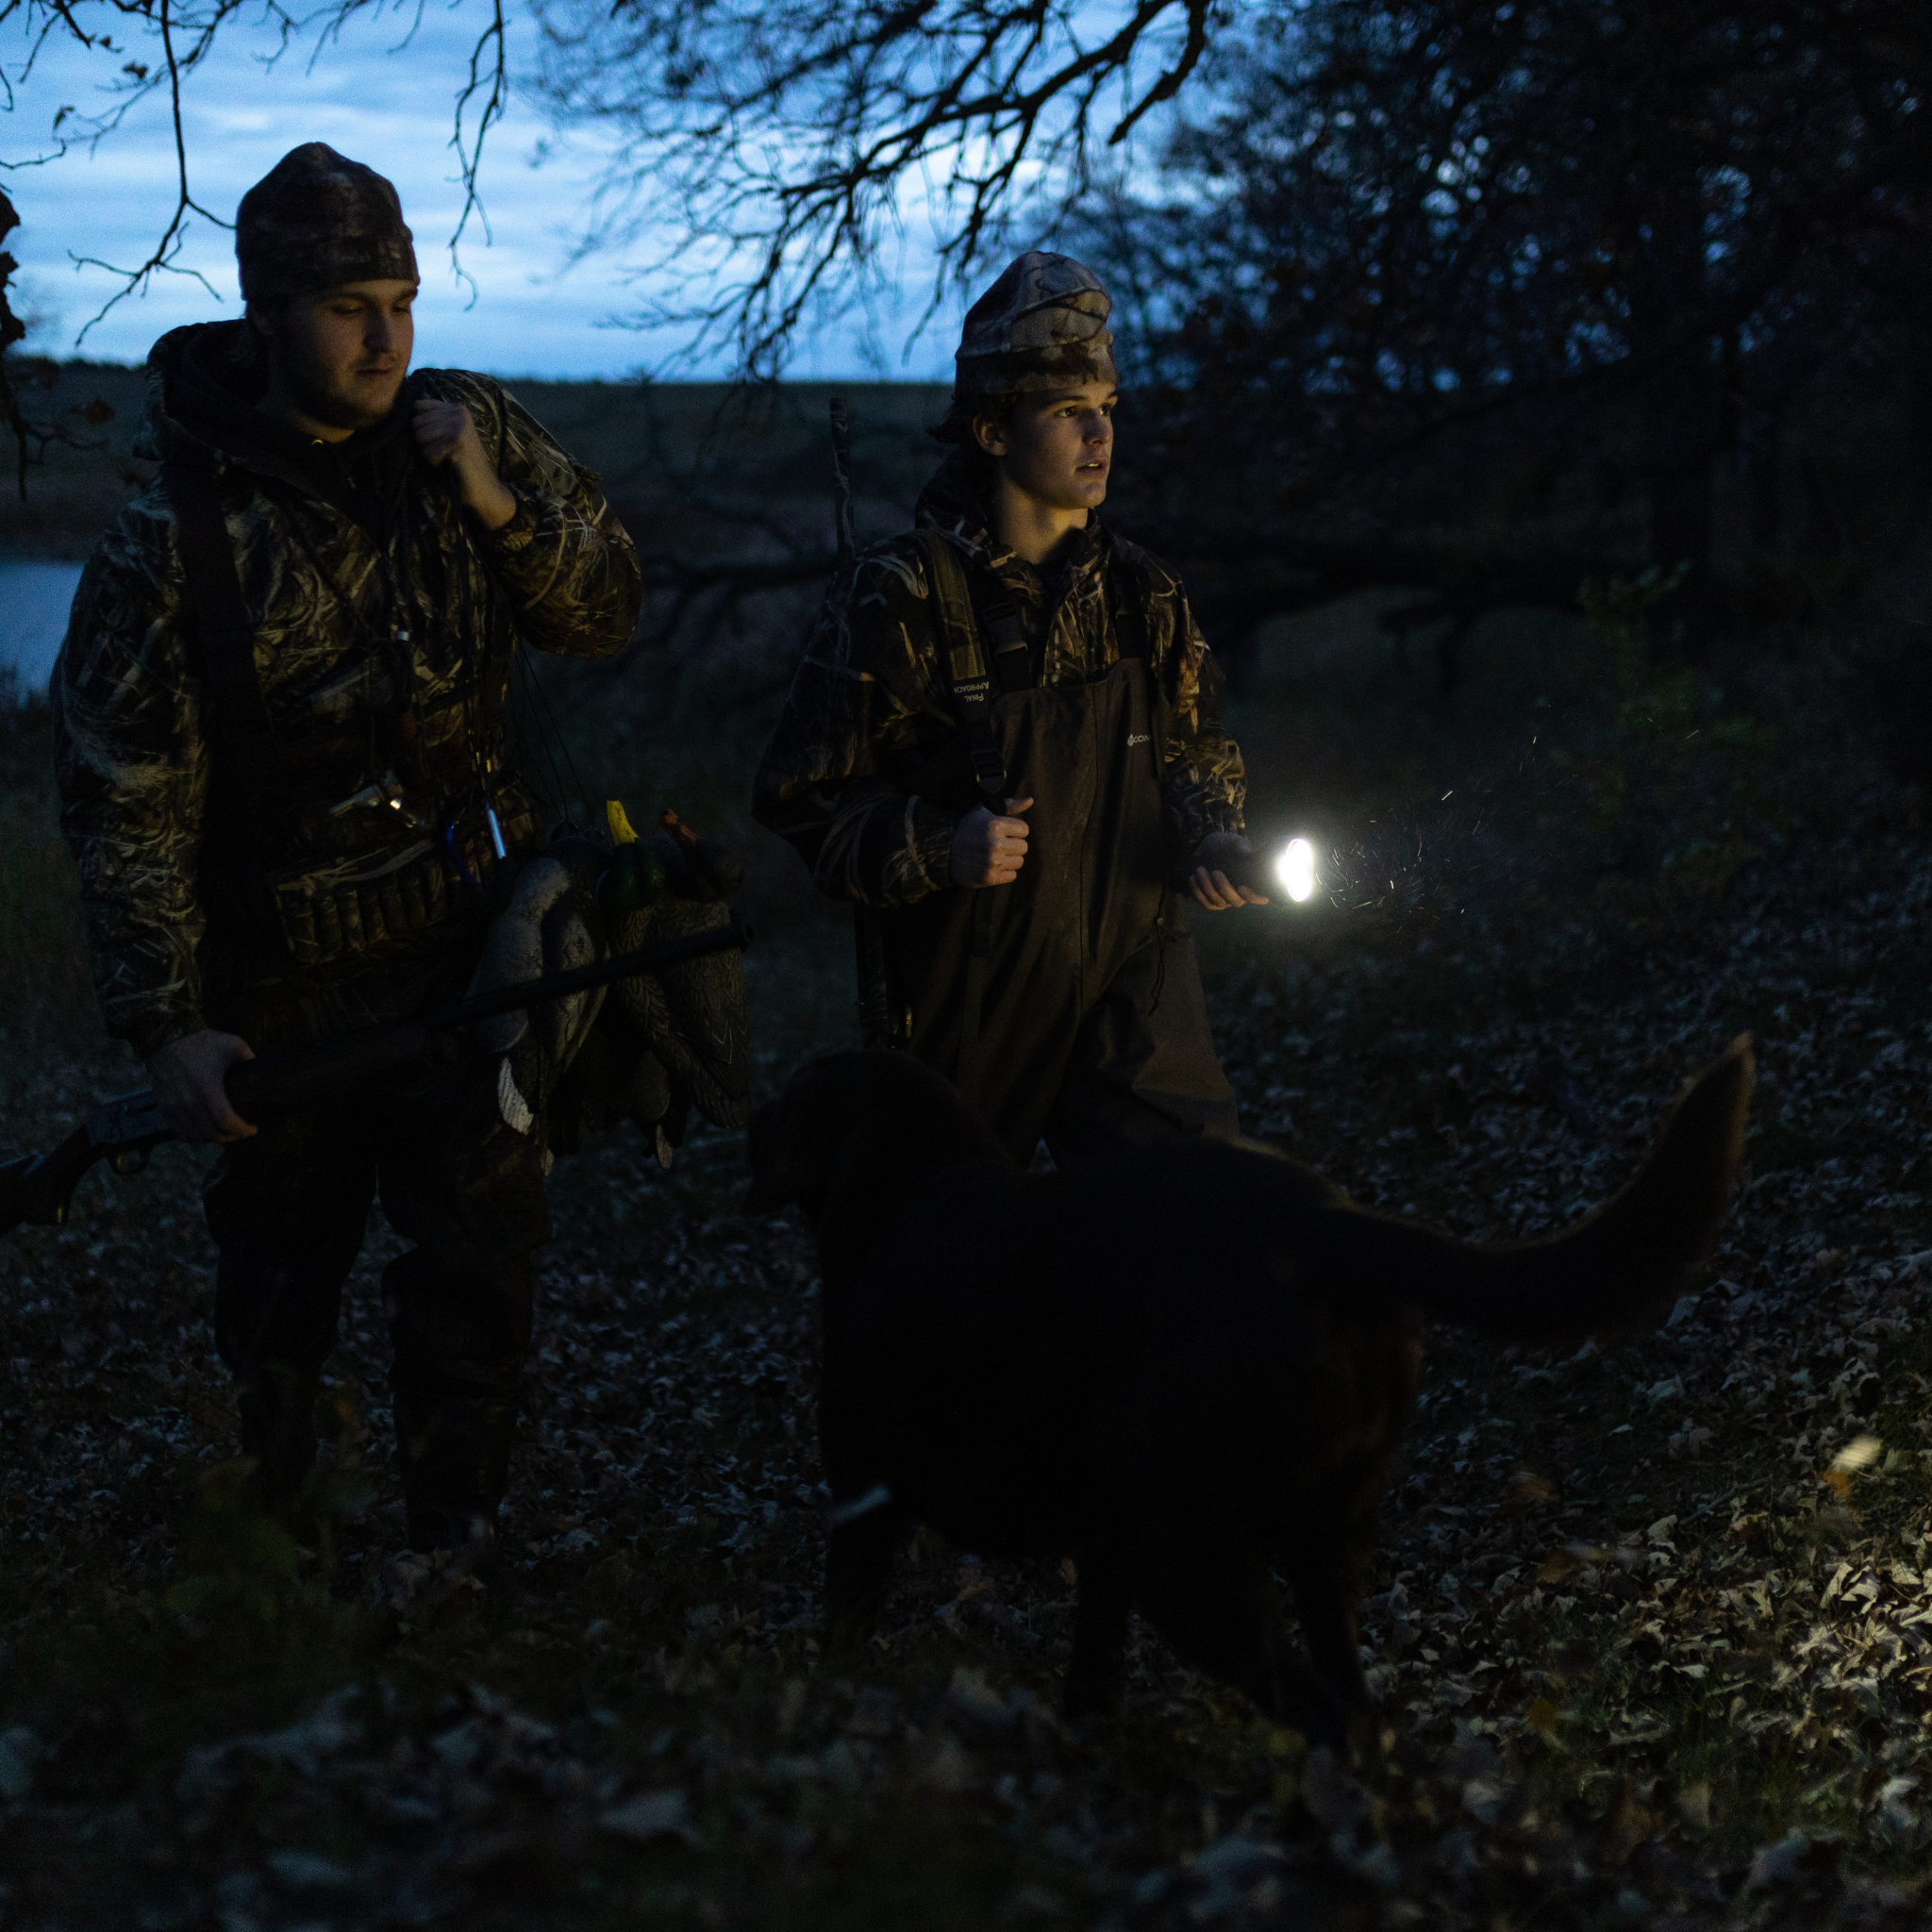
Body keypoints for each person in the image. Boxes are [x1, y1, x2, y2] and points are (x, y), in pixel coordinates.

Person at [51, 143, 642, 1554]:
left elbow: (604, 611)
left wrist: (495, 503)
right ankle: (283, 1567)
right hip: (283, 983)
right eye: (347, 309)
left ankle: (455, 1550)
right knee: (277, 1297)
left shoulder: (465, 431)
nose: (386, 339)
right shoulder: (172, 533)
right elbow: (124, 801)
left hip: (475, 950)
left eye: (402, 303)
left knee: (480, 1270)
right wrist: (167, 1026)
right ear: (267, 315)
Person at [753, 250, 1261, 1164]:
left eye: (1107, 407)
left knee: (1188, 1207)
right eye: (1068, 411)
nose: (1099, 435)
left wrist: (1212, 837)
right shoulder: (902, 594)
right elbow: (803, 799)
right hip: (972, 995)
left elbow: (1192, 749)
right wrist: (936, 844)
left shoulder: (1144, 594)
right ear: (991, 429)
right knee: (955, 1234)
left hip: (1133, 978)